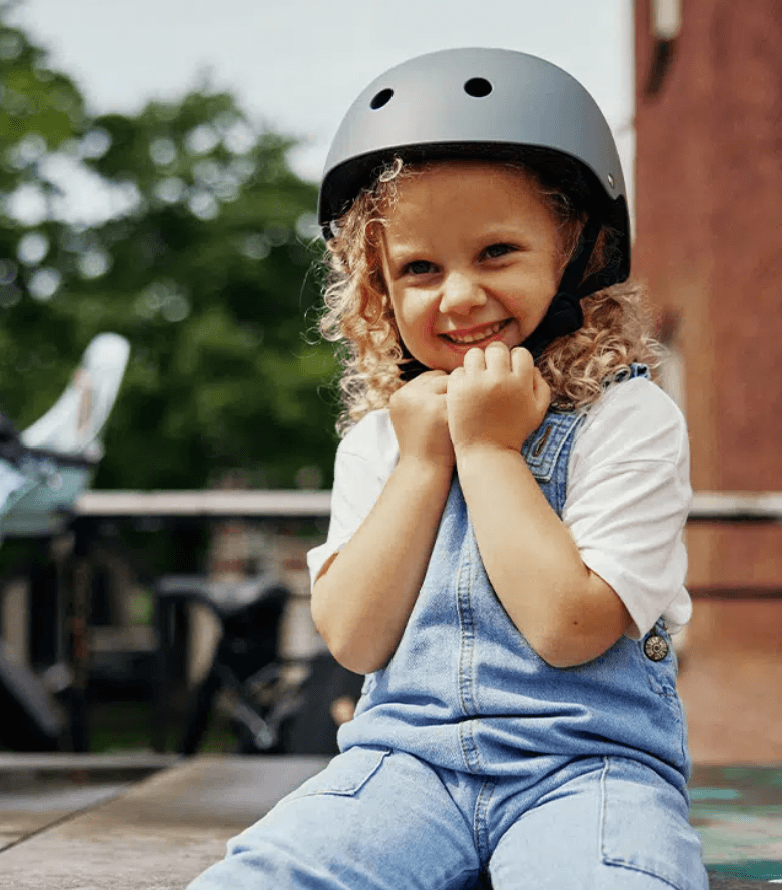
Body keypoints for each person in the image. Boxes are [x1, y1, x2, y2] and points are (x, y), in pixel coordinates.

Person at [187, 48, 708, 889]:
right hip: (404, 770)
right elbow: (355, 637)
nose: (458, 297)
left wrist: (491, 448)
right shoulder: (382, 442)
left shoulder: (627, 419)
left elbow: (569, 628)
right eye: (420, 269)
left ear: (581, 251)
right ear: (377, 287)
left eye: (497, 251)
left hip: (586, 770)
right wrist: (425, 460)